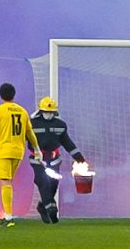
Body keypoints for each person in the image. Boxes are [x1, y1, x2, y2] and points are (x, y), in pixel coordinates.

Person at [0, 82, 42, 227]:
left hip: (3, 150)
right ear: (14, 95)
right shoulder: (22, 111)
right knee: (9, 181)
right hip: (18, 151)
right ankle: (8, 213)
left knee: (5, 182)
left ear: (0, 95)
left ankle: (8, 217)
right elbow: (30, 133)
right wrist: (37, 149)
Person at [28, 96, 88, 224]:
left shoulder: (60, 125)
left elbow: (67, 142)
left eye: (50, 112)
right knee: (43, 181)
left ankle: (43, 206)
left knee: (53, 184)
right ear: (40, 111)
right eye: (45, 112)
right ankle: (51, 209)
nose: (48, 115)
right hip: (38, 159)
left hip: (54, 159)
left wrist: (79, 158)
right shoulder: (31, 124)